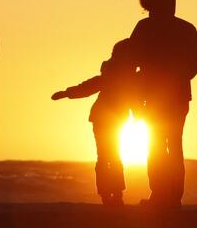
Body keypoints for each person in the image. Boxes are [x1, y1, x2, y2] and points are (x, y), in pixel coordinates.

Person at [130, 0, 197, 208]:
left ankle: (164, 195)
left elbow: (131, 61)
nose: (172, 4)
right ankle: (167, 196)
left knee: (161, 144)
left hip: (161, 96)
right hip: (165, 96)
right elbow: (196, 63)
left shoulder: (147, 28)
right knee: (167, 144)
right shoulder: (179, 28)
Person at [51, 39, 139, 206]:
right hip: (104, 119)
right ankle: (110, 193)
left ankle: (113, 193)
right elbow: (88, 87)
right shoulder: (116, 75)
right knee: (108, 155)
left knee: (109, 155)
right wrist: (66, 93)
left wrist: (138, 114)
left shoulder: (124, 75)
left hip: (112, 119)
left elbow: (132, 98)